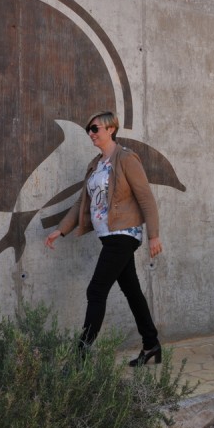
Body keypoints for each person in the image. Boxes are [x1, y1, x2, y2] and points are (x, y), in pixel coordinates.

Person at [44, 111, 163, 367]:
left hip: (124, 234)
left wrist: (153, 235)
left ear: (111, 128)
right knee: (132, 291)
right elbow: (81, 202)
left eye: (95, 128)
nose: (91, 133)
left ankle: (80, 358)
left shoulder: (126, 159)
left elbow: (146, 198)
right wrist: (61, 229)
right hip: (108, 237)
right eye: (89, 129)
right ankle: (151, 343)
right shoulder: (95, 164)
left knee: (96, 290)